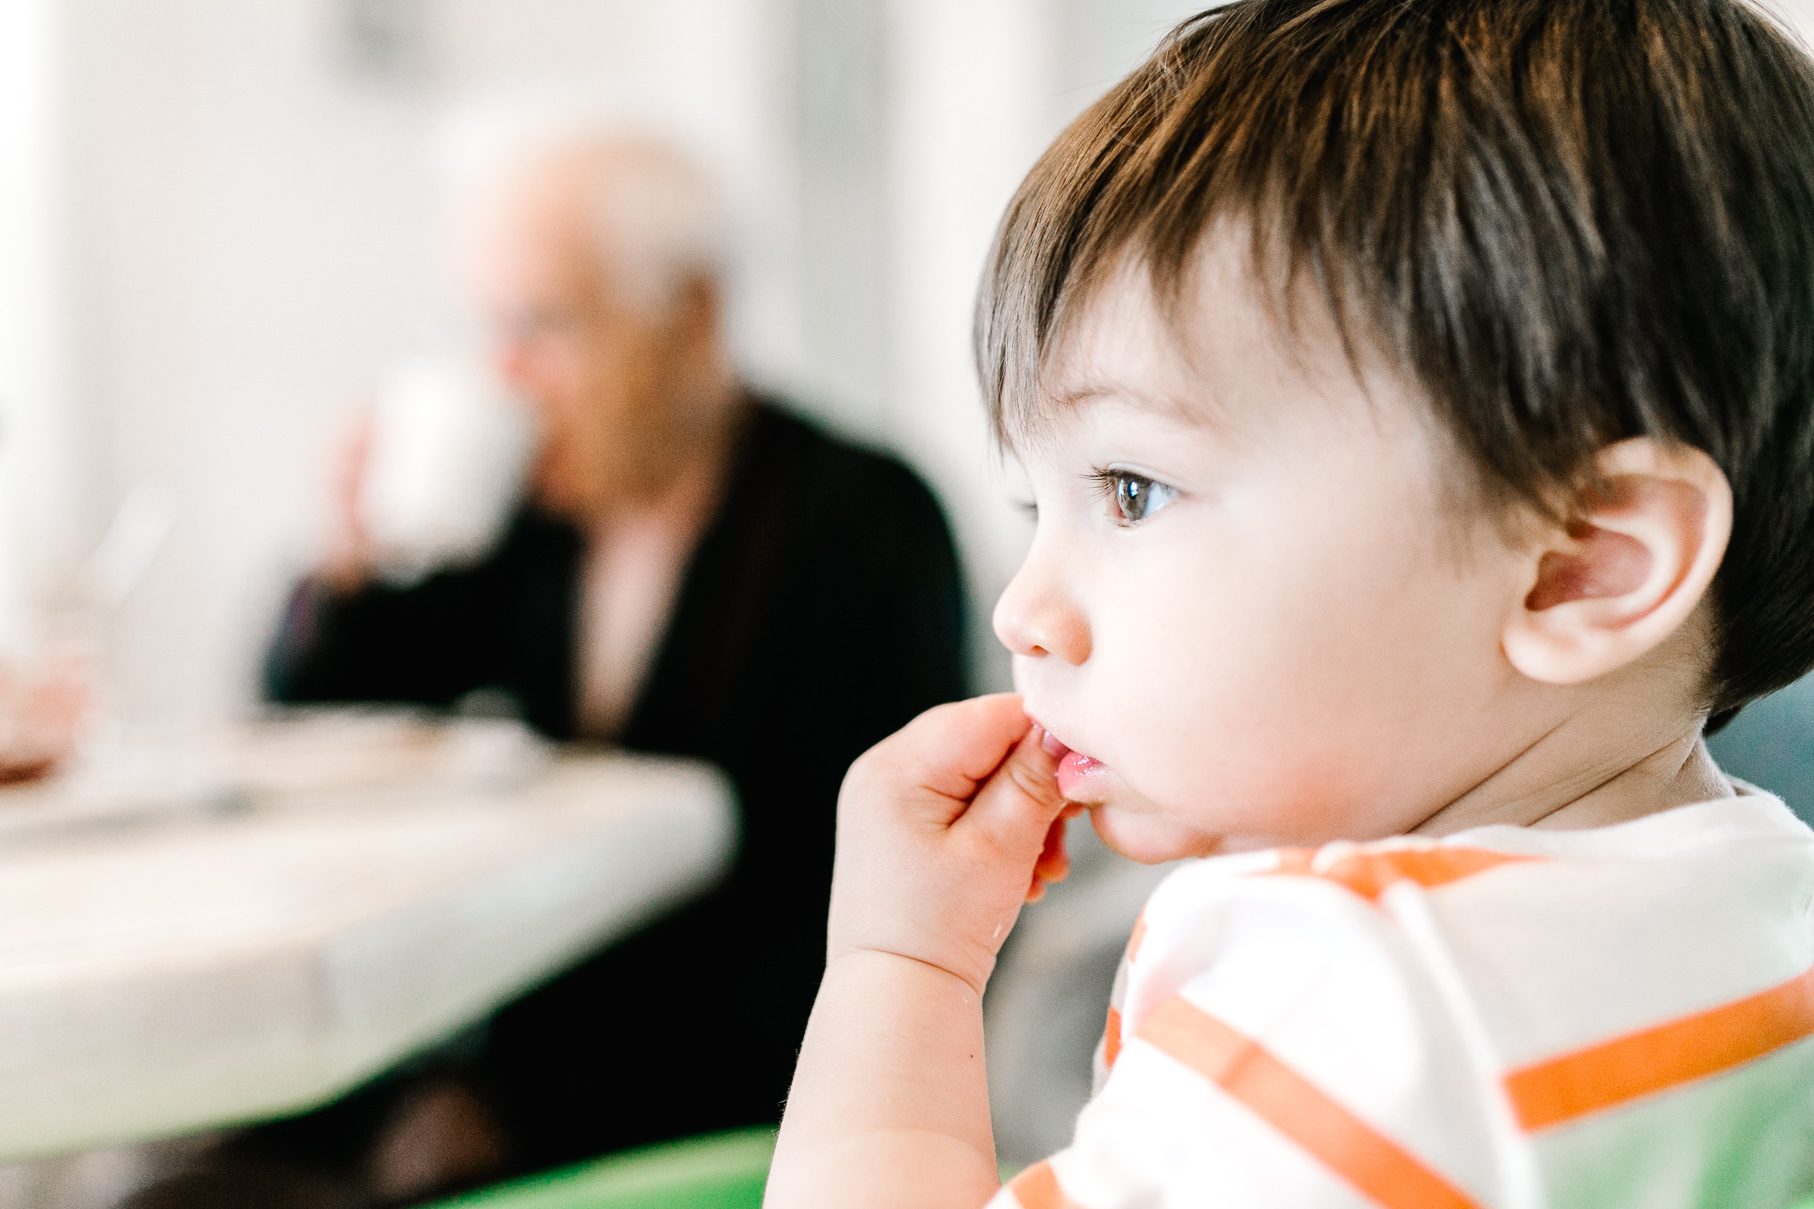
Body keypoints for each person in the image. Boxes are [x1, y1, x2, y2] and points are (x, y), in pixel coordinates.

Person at [765, 1, 1814, 1205]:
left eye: (1131, 489)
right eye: (1032, 513)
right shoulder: (1758, 911)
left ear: (1579, 565)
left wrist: (900, 967)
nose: (1023, 613)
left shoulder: (1364, 997)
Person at [256, 123, 971, 1197]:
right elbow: (313, 707)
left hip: (748, 1104)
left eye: (541, 325)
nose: (504, 375)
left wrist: (502, 1101)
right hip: (515, 1060)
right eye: (487, 328)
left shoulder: (862, 521)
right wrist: (350, 568)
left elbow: (834, 924)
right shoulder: (532, 522)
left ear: (688, 314)